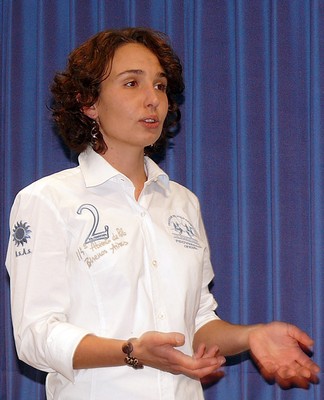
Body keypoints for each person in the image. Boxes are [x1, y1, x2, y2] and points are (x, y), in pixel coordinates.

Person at [6, 27, 319, 400]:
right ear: (88, 102)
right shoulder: (47, 200)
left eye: (159, 85)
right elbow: (36, 337)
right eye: (131, 84)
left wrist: (251, 336)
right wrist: (132, 351)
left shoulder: (183, 203)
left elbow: (198, 323)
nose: (152, 99)